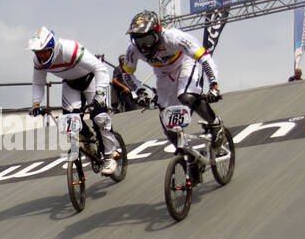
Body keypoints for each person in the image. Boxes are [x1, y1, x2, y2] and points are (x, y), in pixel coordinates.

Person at [121, 10, 225, 158]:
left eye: (147, 40)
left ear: (157, 33)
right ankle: (187, 155)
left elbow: (204, 58)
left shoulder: (175, 37)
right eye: (139, 41)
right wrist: (139, 91)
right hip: (163, 75)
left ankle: (215, 124)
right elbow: (127, 73)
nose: (144, 46)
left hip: (185, 65)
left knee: (186, 97)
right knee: (167, 121)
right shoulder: (133, 49)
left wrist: (214, 85)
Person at [27, 27, 120, 175]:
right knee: (69, 124)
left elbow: (99, 68)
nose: (42, 56)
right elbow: (38, 82)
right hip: (70, 84)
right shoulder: (38, 61)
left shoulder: (69, 49)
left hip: (90, 79)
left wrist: (100, 93)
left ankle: (110, 156)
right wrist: (36, 103)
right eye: (38, 53)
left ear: (53, 47)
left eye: (44, 51)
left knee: (100, 117)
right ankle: (88, 137)